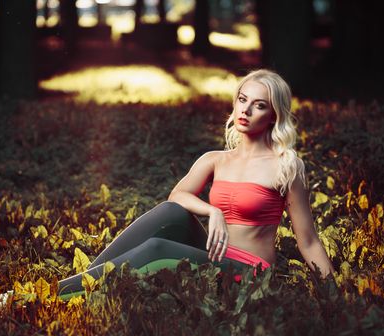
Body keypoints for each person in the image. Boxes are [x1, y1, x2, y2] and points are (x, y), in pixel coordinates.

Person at [57, 69, 335, 300]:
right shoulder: (215, 160)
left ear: (273, 115)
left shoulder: (286, 166)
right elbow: (177, 196)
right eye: (242, 100)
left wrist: (334, 296)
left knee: (157, 248)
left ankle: (56, 294)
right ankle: (80, 285)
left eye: (259, 105)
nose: (246, 110)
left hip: (249, 273)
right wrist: (213, 212)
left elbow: (308, 241)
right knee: (171, 212)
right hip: (210, 256)